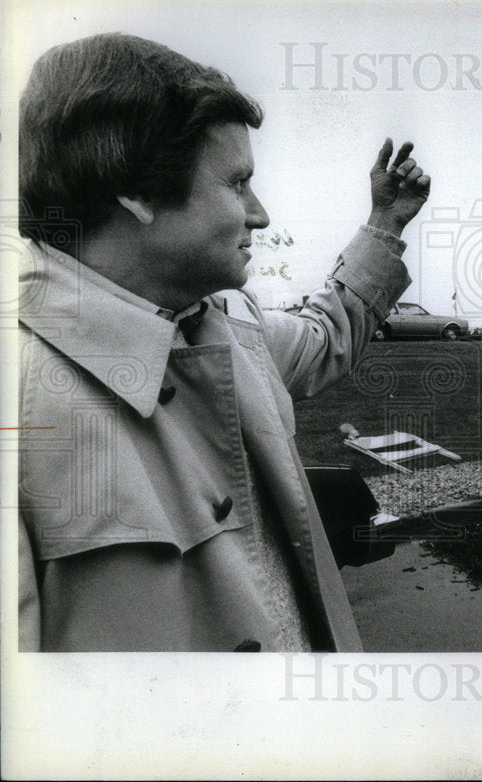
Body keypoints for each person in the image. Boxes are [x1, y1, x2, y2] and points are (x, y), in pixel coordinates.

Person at [17, 33, 430, 651]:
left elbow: (325, 337)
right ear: (139, 190)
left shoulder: (231, 324)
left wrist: (384, 225)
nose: (259, 214)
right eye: (237, 183)